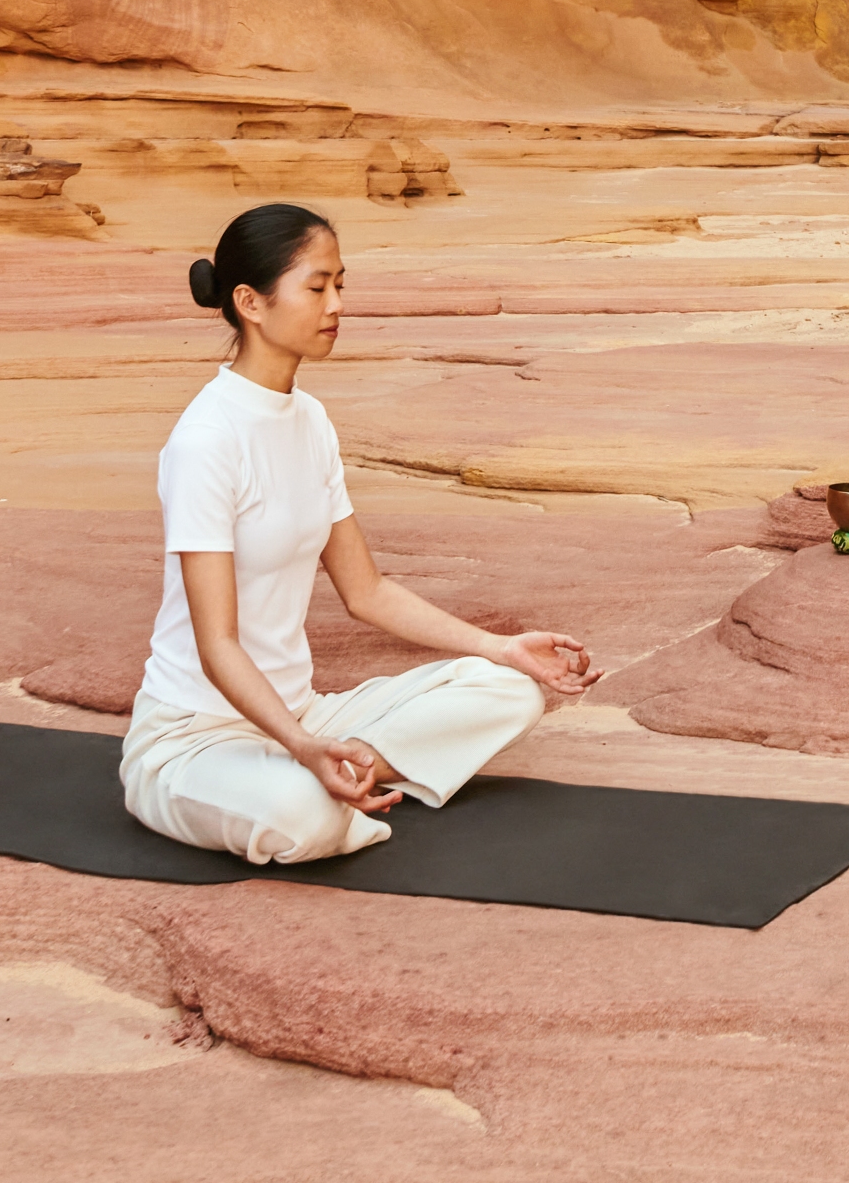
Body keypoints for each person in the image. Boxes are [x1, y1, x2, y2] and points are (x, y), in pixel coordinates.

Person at [122, 203, 598, 863]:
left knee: (509, 689)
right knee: (301, 817)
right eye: (316, 287)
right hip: (195, 738)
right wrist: (298, 744)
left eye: (339, 284)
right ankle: (319, 785)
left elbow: (367, 592)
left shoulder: (309, 420)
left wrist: (501, 646)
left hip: (304, 714)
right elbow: (216, 645)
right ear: (249, 303)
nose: (336, 304)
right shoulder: (207, 440)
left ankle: (341, 770)